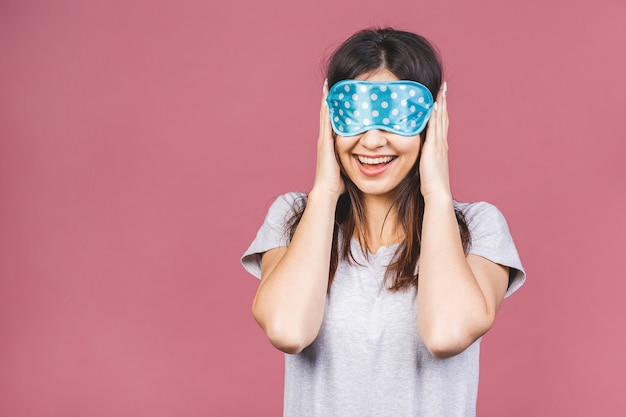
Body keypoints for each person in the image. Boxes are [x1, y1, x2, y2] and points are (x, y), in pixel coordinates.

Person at [241, 27, 525, 417]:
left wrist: (437, 193)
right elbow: (288, 330)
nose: (372, 141)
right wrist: (324, 190)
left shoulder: (477, 227)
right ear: (328, 118)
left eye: (395, 118)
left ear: (433, 119)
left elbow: (446, 335)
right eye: (352, 116)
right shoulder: (294, 218)